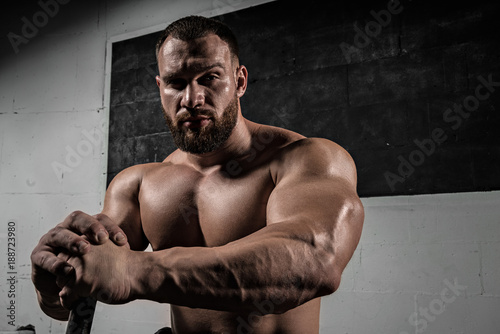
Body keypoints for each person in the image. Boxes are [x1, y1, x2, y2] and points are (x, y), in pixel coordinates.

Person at [31, 16, 364, 333]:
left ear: (240, 81)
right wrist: (53, 283)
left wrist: (137, 271)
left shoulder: (306, 159)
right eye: (176, 83)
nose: (192, 99)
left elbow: (314, 261)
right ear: (160, 88)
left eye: (209, 78)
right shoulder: (137, 185)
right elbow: (77, 295)